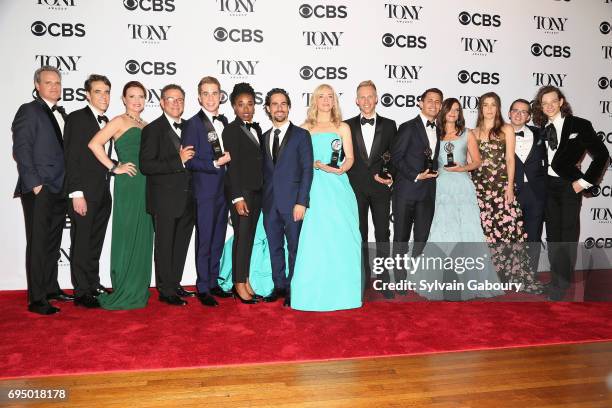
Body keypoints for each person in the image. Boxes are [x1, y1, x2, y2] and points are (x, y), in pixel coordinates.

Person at [417, 98, 502, 300]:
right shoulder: (435, 135)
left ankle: (471, 281)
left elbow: (477, 162)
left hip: (463, 187)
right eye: (450, 110)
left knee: (468, 232)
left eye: (457, 110)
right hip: (441, 188)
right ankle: (442, 280)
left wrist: (461, 168)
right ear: (443, 111)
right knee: (441, 231)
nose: (453, 113)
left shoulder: (467, 134)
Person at [531, 86, 609, 301]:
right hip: (547, 186)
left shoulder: (579, 124)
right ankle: (557, 280)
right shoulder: (540, 128)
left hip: (568, 186)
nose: (548, 106)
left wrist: (583, 182)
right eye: (544, 102)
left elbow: (602, 155)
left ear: (561, 101)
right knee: (554, 236)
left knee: (567, 236)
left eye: (552, 101)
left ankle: (562, 285)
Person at [291, 84, 362, 311]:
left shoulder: (343, 127)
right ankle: (311, 294)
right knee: (315, 240)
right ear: (314, 100)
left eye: (329, 96)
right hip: (313, 188)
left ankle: (344, 294)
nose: (325, 100)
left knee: (343, 237)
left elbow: (349, 158)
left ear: (334, 100)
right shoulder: (304, 128)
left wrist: (341, 169)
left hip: (338, 187)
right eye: (321, 96)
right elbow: (296, 162)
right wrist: (311, 165)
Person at [88, 80, 153, 310]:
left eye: (140, 96)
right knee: (127, 233)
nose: (137, 101)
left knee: (144, 235)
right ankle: (125, 287)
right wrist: (114, 167)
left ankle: (138, 287)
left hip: (147, 184)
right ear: (124, 99)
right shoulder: (118, 121)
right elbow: (94, 144)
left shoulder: (146, 124)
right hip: (129, 184)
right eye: (132, 96)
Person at [12, 66, 72, 315]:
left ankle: (50, 287)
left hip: (60, 187)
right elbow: (21, 148)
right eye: (49, 82)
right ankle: (37, 299)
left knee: (53, 241)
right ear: (37, 85)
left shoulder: (63, 113)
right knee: (38, 243)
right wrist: (34, 182)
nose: (54, 86)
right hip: (40, 187)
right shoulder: (29, 110)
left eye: (57, 82)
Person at [471, 92, 543, 294]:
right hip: (481, 190)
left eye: (493, 105)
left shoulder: (506, 129)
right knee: (487, 235)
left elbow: (510, 160)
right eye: (485, 105)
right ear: (480, 108)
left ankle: (514, 276)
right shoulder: (473, 133)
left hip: (502, 189)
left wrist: (510, 187)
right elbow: (472, 164)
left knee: (509, 233)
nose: (489, 109)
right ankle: (490, 277)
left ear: (498, 108)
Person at [140, 84, 195, 306]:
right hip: (164, 199)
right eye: (171, 99)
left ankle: (175, 283)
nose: (176, 103)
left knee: (181, 245)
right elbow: (146, 165)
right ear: (162, 102)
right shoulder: (152, 130)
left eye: (180, 99)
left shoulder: (192, 127)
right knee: (164, 246)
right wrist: (178, 160)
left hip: (189, 199)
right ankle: (165, 290)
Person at [64, 74, 113, 308]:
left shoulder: (108, 121)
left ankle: (93, 283)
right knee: (82, 242)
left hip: (103, 192)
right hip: (84, 193)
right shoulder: (77, 119)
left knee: (95, 242)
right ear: (87, 95)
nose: (103, 96)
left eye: (106, 92)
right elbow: (71, 158)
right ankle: (82, 291)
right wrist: (76, 193)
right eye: (98, 92)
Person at [182, 76, 232, 307]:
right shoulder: (192, 124)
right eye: (206, 93)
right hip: (204, 190)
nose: (211, 98)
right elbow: (189, 161)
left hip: (224, 191)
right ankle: (202, 286)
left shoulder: (226, 121)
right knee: (205, 239)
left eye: (215, 93)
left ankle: (213, 282)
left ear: (221, 95)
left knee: (218, 238)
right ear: (199, 97)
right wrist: (214, 164)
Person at [261, 88, 314, 305]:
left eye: (283, 103)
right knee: (274, 247)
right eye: (274, 104)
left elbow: (307, 170)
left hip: (293, 204)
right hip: (270, 204)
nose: (279, 108)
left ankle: (294, 289)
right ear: (268, 108)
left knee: (294, 248)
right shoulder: (264, 137)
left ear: (289, 107)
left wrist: (302, 201)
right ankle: (279, 286)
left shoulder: (302, 135)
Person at [344, 80, 397, 298]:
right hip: (354, 188)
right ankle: (363, 279)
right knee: (360, 234)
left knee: (383, 233)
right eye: (362, 97)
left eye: (370, 96)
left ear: (376, 98)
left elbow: (395, 156)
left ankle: (385, 280)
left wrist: (390, 175)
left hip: (380, 188)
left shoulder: (390, 124)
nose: (366, 101)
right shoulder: (346, 125)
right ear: (357, 101)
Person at [391, 88, 442, 291]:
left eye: (438, 101)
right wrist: (415, 174)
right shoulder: (408, 127)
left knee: (422, 237)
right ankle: (401, 278)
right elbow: (396, 158)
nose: (433, 104)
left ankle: (413, 272)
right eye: (429, 100)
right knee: (401, 237)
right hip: (406, 191)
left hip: (428, 192)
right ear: (420, 103)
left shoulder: (439, 129)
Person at [223, 82, 264, 304]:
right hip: (242, 193)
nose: (246, 108)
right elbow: (233, 167)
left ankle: (245, 279)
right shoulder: (230, 130)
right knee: (241, 237)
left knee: (249, 238)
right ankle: (237, 283)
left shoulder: (256, 128)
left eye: (249, 103)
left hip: (257, 191)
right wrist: (237, 197)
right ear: (233, 107)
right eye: (241, 104)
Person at [508, 99, 548, 276]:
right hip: (509, 192)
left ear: (529, 116)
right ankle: (507, 274)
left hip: (536, 193)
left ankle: (530, 275)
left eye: (523, 111)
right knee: (508, 235)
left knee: (533, 235)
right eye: (515, 110)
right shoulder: (497, 134)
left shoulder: (541, 133)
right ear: (509, 113)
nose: (518, 114)